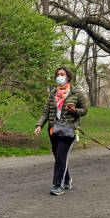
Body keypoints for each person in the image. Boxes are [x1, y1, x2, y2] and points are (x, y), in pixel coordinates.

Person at [34, 67, 87, 196]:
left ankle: (58, 185)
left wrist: (74, 110)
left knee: (61, 156)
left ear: (68, 77)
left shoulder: (76, 92)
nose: (60, 77)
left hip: (69, 129)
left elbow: (84, 110)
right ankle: (67, 179)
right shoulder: (53, 93)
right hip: (53, 129)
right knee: (58, 157)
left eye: (62, 74)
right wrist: (39, 124)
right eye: (58, 75)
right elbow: (46, 111)